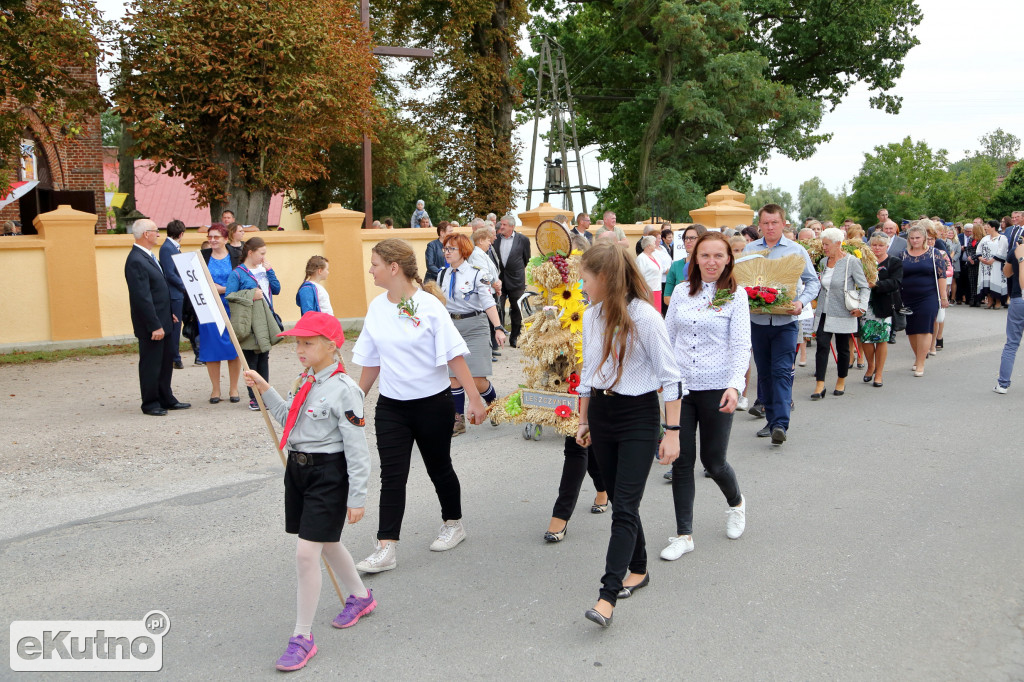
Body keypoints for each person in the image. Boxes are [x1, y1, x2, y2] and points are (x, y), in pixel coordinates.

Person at [242, 312, 373, 672]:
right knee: (325, 541)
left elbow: (357, 448)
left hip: (328, 475)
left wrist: (357, 496)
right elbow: (288, 417)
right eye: (297, 342)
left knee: (305, 555)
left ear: (332, 346)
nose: (299, 349)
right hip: (297, 472)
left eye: (308, 342)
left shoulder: (345, 389)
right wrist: (264, 388)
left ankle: (303, 637)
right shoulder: (304, 380)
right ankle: (361, 597)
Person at [352, 239, 486, 574]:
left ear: (393, 268)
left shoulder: (429, 307)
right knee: (392, 475)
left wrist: (474, 397)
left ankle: (453, 523)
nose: (371, 270)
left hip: (432, 404)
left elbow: (454, 355)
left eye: (375, 264)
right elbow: (371, 361)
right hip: (392, 407)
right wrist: (355, 400)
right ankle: (386, 548)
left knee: (439, 467)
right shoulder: (377, 308)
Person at [576, 243, 681, 628]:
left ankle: (606, 597)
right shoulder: (591, 316)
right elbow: (589, 374)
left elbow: (671, 379)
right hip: (603, 415)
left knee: (622, 507)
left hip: (638, 416)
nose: (581, 284)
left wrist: (672, 432)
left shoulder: (645, 317)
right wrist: (584, 421)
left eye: (585, 277)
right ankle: (639, 568)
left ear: (603, 278)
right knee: (624, 499)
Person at [661, 232, 748, 561]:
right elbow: (667, 338)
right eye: (705, 255)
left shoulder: (735, 296)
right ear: (695, 259)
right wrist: (662, 377)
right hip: (681, 391)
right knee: (681, 461)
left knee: (713, 461)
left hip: (717, 389)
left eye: (718, 256)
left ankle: (736, 503)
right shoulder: (682, 293)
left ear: (728, 260)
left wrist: (735, 385)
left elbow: (741, 346)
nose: (712, 262)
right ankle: (684, 534)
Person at [743, 205, 820, 445]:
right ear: (760, 225)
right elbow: (740, 280)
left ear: (783, 223)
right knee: (764, 373)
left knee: (781, 372)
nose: (770, 227)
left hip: (786, 321)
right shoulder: (750, 249)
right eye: (765, 223)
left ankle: (780, 425)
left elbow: (813, 282)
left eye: (774, 222)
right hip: (757, 321)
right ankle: (771, 420)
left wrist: (801, 302)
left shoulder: (796, 251)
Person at [437, 233, 507, 435]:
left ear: (464, 251)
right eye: (445, 249)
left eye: (451, 249)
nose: (446, 252)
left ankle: (493, 404)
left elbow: (488, 302)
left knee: (476, 378)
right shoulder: (443, 274)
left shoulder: (477, 274)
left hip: (475, 326)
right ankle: (457, 419)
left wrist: (498, 328)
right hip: (451, 327)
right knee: (453, 377)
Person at [124, 219, 189, 416]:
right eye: (155, 231)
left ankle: (165, 397)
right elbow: (141, 297)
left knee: (165, 360)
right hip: (152, 326)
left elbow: (158, 290)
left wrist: (168, 314)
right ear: (146, 234)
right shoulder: (135, 260)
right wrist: (154, 325)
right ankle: (150, 402)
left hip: (164, 319)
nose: (158, 234)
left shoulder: (148, 256)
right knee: (152, 363)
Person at [809, 228, 870, 399]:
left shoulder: (851, 262)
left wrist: (862, 307)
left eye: (827, 244)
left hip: (843, 311)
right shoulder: (823, 262)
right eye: (823, 244)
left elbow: (864, 286)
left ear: (838, 244)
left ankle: (841, 379)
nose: (824, 247)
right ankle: (819, 384)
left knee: (843, 348)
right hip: (823, 312)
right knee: (822, 345)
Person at [226, 237, 282, 410]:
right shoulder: (237, 273)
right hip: (248, 322)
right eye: (261, 253)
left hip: (265, 319)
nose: (264, 257)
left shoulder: (264, 270)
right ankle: (254, 398)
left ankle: (264, 395)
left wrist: (270, 271)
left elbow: (277, 289)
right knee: (251, 360)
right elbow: (230, 296)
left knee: (263, 357)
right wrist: (251, 295)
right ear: (250, 253)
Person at [199, 224, 242, 403]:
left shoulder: (237, 256)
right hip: (209, 309)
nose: (213, 240)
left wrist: (223, 289)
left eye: (216, 237)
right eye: (210, 237)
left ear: (226, 239)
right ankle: (215, 389)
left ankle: (233, 388)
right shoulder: (201, 257)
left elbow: (243, 280)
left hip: (232, 306)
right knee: (212, 349)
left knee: (234, 348)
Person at [899, 222, 948, 377]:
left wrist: (943, 297)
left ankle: (921, 362)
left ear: (924, 238)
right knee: (912, 329)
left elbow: (941, 276)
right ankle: (918, 356)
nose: (915, 240)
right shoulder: (902, 255)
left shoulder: (934, 254)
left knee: (925, 328)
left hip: (929, 296)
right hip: (907, 296)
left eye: (918, 237)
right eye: (912, 238)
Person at [861, 233, 903, 387]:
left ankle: (879, 372)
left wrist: (876, 285)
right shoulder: (863, 261)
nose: (877, 248)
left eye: (880, 245)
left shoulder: (894, 262)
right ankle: (870, 365)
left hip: (884, 305)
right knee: (866, 337)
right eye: (874, 245)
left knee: (882, 339)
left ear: (886, 246)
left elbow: (896, 282)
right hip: (865, 305)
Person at [494, 214, 531, 346]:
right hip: (499, 280)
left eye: (504, 225)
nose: (501, 226)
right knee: (498, 307)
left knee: (516, 310)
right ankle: (499, 336)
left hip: (516, 280)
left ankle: (515, 337)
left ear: (512, 226)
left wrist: (516, 270)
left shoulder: (523, 240)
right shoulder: (495, 239)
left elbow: (526, 259)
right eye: (501, 224)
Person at [995, 238, 1024, 393]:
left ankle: (1002, 383)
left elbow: (1006, 272)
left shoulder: (1017, 250)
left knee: (1012, 343)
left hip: (1018, 298)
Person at [469, 226, 503, 361]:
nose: (490, 243)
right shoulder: (476, 255)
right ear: (481, 240)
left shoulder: (482, 254)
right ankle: (487, 352)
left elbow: (492, 270)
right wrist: (495, 282)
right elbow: (483, 273)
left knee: (489, 324)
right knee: (487, 324)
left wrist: (497, 282)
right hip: (486, 290)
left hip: (492, 289)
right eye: (488, 240)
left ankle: (490, 351)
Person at [159, 219, 187, 370]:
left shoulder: (170, 247)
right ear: (181, 234)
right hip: (174, 293)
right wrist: (184, 286)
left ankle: (174, 356)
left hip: (177, 293)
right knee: (175, 327)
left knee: (176, 326)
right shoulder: (168, 248)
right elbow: (170, 273)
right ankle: (174, 357)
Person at [663, 224, 707, 308]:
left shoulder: (710, 265)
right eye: (686, 238)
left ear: (702, 239)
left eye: (692, 238)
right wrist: (686, 308)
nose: (688, 241)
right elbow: (667, 297)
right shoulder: (676, 265)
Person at [977, 220, 1008, 310]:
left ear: (993, 228)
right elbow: (979, 249)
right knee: (987, 282)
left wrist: (993, 260)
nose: (986, 228)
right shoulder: (985, 238)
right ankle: (990, 301)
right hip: (985, 265)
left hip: (996, 264)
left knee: (996, 281)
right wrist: (980, 258)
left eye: (988, 226)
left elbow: (1002, 250)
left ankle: (998, 302)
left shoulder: (1002, 238)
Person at [636, 235, 669, 310]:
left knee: (657, 313)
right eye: (654, 243)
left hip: (657, 290)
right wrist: (644, 293)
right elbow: (639, 277)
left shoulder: (655, 256)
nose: (656, 244)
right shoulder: (641, 258)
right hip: (648, 291)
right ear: (649, 246)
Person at [963, 223, 985, 306]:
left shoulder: (983, 239)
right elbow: (968, 248)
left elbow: (981, 251)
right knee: (971, 281)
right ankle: (972, 298)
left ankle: (978, 299)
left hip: (978, 261)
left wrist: (973, 258)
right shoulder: (971, 239)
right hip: (970, 262)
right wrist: (969, 257)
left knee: (977, 281)